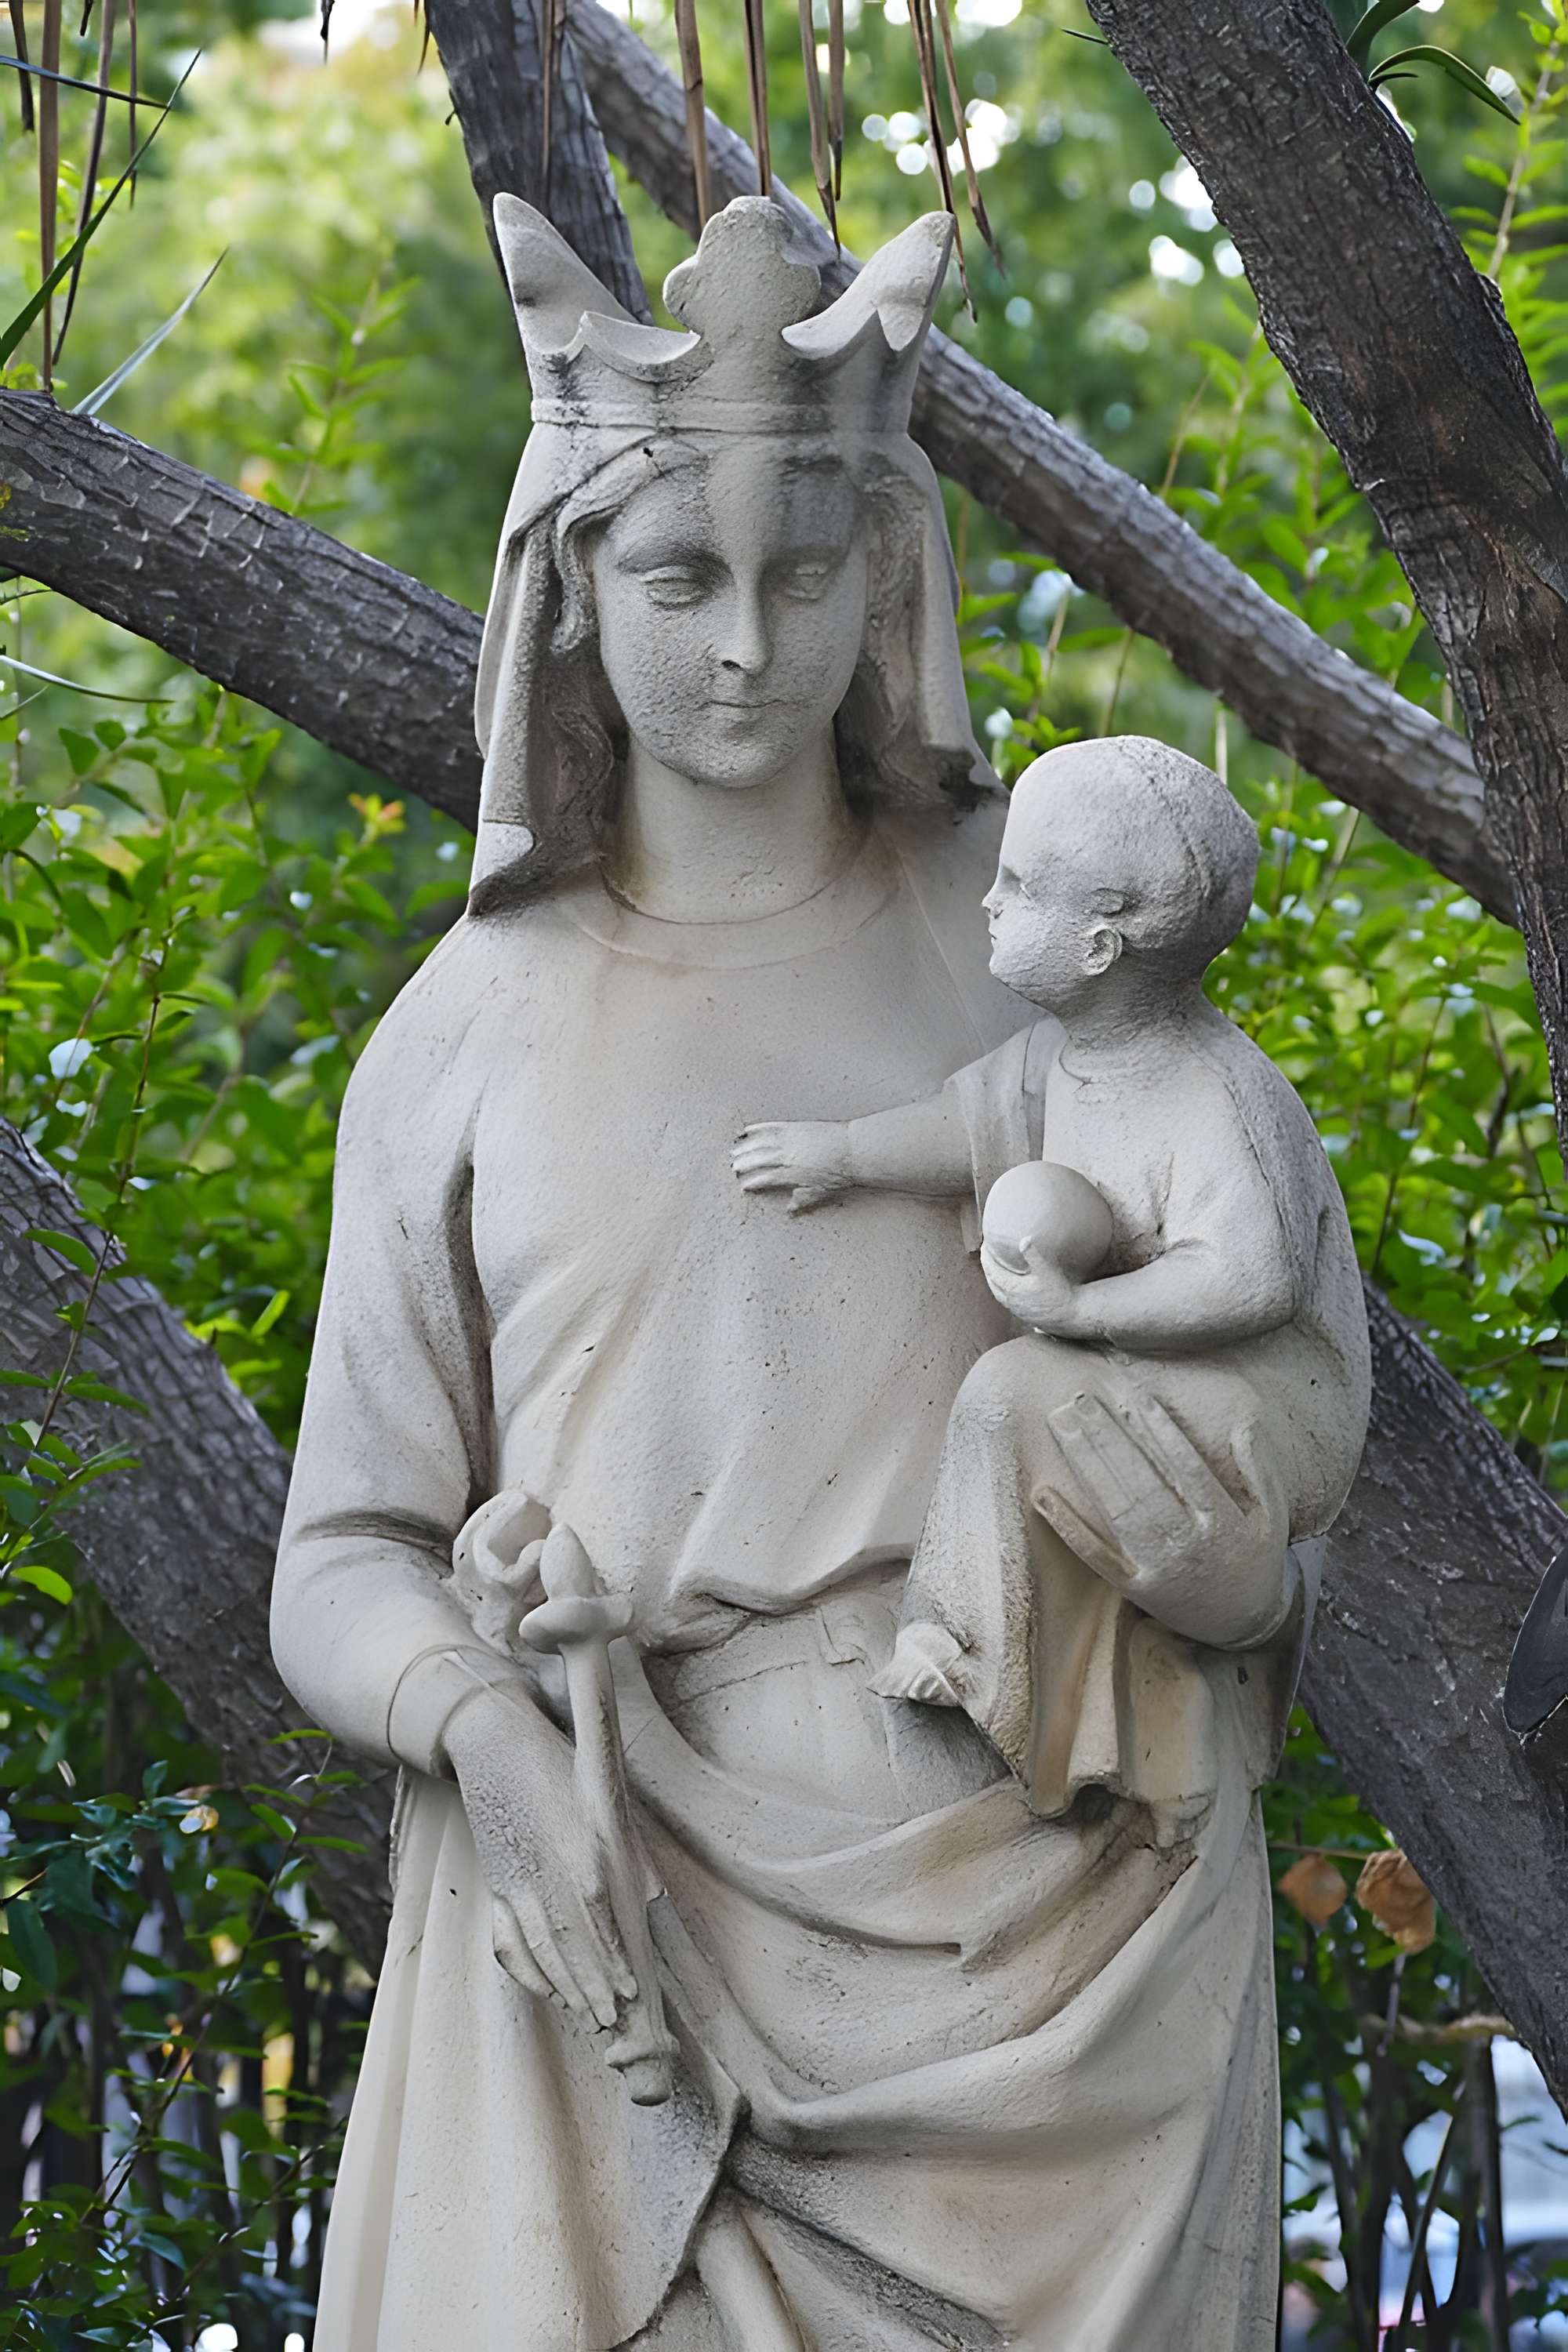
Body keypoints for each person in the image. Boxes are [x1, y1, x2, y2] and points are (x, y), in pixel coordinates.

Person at [272, 198, 1329, 2351]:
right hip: (618, 1932)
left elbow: (1283, 1370)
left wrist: (1230, 1556)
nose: (745, 641)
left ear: (894, 572)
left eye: (806, 570)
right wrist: (482, 1726)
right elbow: (343, 1553)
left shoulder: (1038, 944)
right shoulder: (463, 1036)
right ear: (572, 593)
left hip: (1066, 1932)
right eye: (679, 577)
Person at [735, 735, 1370, 1828]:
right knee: (1024, 1399)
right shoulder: (1064, 1054)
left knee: (1011, 1392)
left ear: (1099, 940)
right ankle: (1004, 1649)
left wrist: (1083, 1311)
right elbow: (964, 1126)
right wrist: (841, 1156)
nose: (987, 901)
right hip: (1162, 1375)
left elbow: (1251, 1277)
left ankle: (974, 1648)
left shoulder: (1211, 1090)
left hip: (1271, 1404)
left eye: (1020, 886)